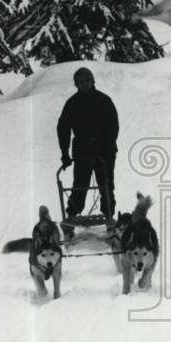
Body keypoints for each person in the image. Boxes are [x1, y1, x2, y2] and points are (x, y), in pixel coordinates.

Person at [57, 67, 119, 225]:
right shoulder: (72, 103)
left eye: (87, 81)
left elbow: (113, 126)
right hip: (82, 150)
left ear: (93, 81)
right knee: (80, 184)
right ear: (76, 84)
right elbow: (63, 128)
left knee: (106, 183)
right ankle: (72, 216)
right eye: (81, 82)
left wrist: (105, 143)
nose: (84, 84)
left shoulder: (104, 100)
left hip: (104, 150)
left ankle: (108, 215)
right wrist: (64, 153)